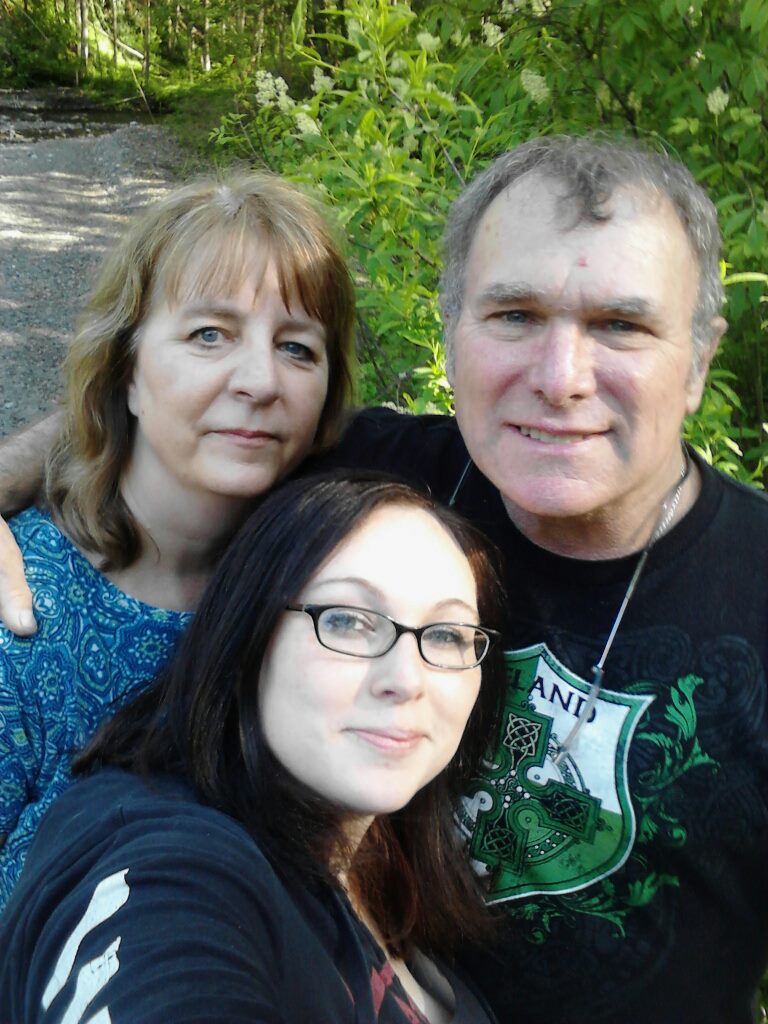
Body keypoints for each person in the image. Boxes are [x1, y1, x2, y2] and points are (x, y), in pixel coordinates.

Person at [1, 135, 767, 1022]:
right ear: (452, 334)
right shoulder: (375, 484)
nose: (561, 380)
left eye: (622, 326)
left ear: (699, 360)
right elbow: (180, 408)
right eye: (514, 315)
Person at [0, 472, 504, 1024]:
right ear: (249, 634)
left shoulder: (387, 860)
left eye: (448, 634)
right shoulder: (170, 864)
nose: (406, 679)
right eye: (348, 621)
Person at [0, 171, 356, 910]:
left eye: (297, 348)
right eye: (208, 335)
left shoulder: (334, 587)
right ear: (126, 370)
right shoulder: (22, 620)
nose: (260, 381)